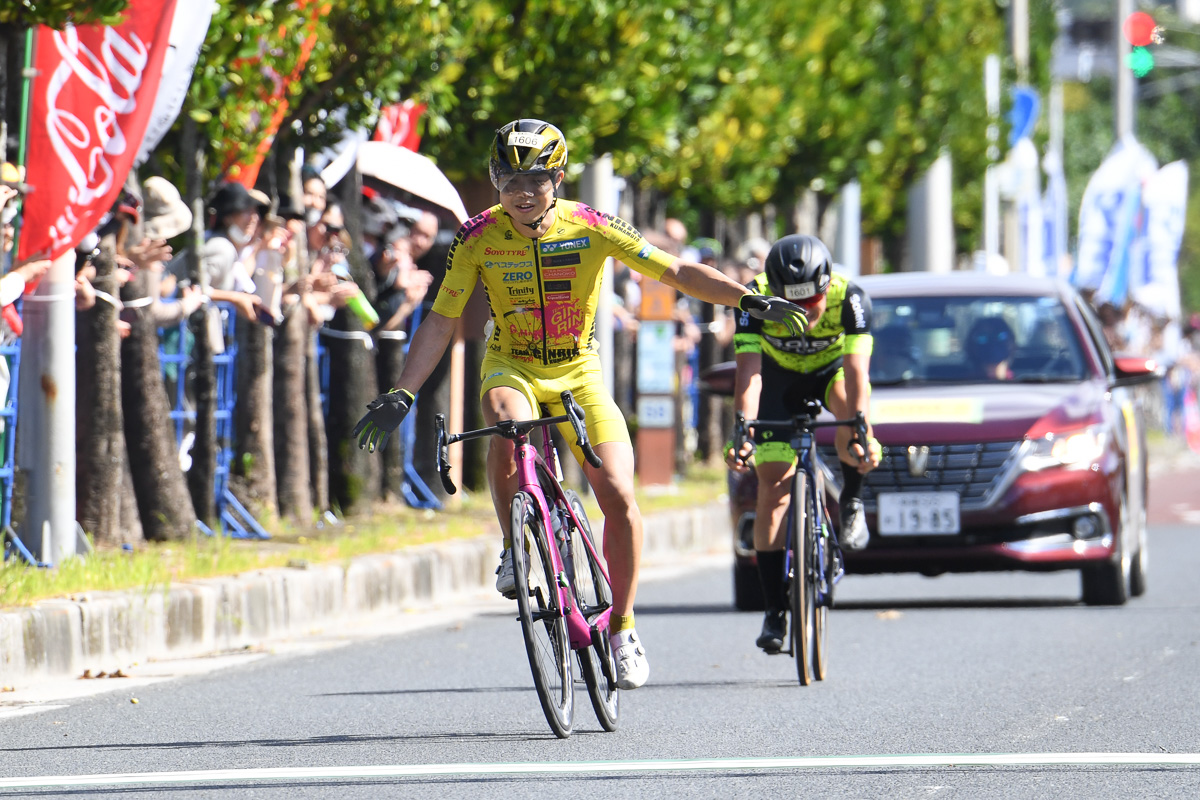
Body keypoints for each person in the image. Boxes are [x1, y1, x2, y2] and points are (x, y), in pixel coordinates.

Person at [352, 118, 806, 689]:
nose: (521, 191)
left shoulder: (590, 226)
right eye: (508, 178)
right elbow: (443, 318)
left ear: (558, 179)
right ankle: (515, 544)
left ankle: (622, 627)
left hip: (578, 372)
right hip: (512, 364)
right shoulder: (477, 236)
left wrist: (748, 300)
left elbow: (675, 270)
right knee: (505, 422)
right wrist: (404, 389)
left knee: (617, 491)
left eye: (535, 179)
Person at [725, 233, 879, 655]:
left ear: (827, 286)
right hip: (776, 379)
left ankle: (851, 500)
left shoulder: (851, 298)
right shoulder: (753, 299)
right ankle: (775, 610)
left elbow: (857, 373)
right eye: (792, 306)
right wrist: (743, 429)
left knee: (850, 405)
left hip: (830, 372)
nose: (805, 315)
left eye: (812, 304)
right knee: (772, 491)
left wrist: (860, 426)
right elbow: (749, 374)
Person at [964, 316, 1016, 381]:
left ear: (1012, 344)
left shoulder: (1024, 385)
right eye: (982, 338)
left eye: (1001, 336)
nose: (993, 344)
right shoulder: (962, 386)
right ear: (972, 346)